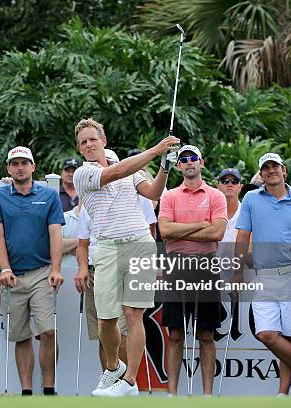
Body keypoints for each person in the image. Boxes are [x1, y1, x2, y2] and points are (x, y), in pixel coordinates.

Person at [73, 118, 179, 397]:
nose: (89, 145)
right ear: (80, 149)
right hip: (106, 249)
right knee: (107, 320)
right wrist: (156, 150)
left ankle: (130, 381)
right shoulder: (83, 175)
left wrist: (165, 168)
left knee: (134, 315)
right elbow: (115, 173)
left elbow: (154, 192)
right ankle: (113, 368)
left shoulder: (133, 173)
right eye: (83, 142)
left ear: (103, 141)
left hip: (139, 245)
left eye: (93, 139)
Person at [235, 152, 291, 396]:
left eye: (275, 167)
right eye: (266, 168)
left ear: (284, 171)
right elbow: (242, 238)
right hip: (264, 276)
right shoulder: (251, 198)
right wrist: (238, 271)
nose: (271, 171)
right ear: (261, 174)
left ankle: (282, 395)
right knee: (267, 334)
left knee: (290, 337)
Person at [0, 146, 65, 396]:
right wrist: (4, 268)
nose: (20, 167)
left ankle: (49, 388)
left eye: (25, 163)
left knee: (48, 331)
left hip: (42, 271)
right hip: (12, 276)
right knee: (21, 336)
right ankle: (27, 391)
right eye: (15, 163)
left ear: (33, 167)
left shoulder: (49, 195)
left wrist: (55, 268)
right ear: (8, 168)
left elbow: (56, 233)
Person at [158, 145, 228, 396]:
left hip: (206, 265)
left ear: (202, 162)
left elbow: (217, 232)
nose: (188, 162)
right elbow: (165, 231)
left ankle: (207, 396)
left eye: (193, 158)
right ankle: (172, 395)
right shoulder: (169, 196)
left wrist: (181, 228)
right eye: (183, 159)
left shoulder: (216, 196)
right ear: (178, 166)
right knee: (175, 333)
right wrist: (200, 224)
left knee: (206, 334)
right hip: (176, 265)